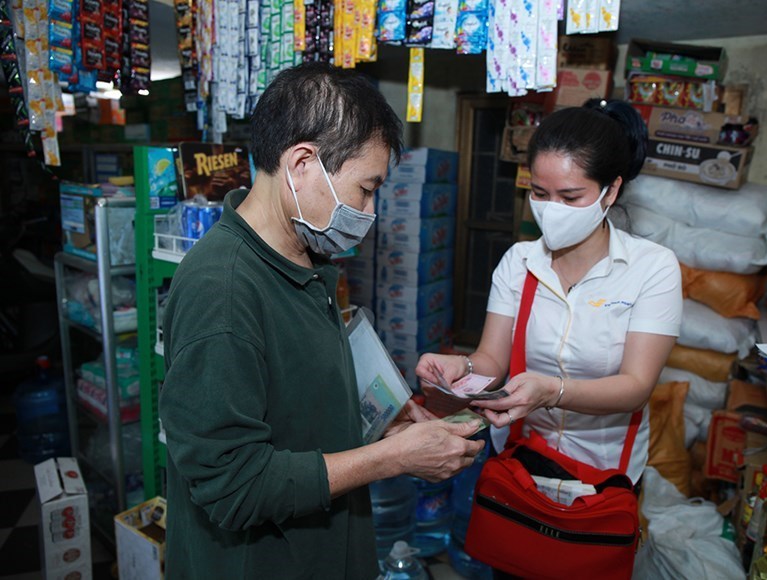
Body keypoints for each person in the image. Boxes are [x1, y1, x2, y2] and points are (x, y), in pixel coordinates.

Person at [159, 62, 484, 579]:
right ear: (303, 163)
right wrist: (394, 459)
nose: (370, 210)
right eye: (366, 188)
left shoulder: (304, 257)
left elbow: (296, 396)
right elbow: (234, 487)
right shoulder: (222, 291)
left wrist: (386, 422)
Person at [417, 99, 682, 491]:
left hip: (604, 472)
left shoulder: (652, 268)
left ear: (610, 192)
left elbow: (636, 386)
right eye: (540, 193)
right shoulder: (518, 262)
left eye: (571, 197)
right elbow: (491, 359)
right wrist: (464, 368)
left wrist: (552, 391)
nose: (552, 210)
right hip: (522, 458)